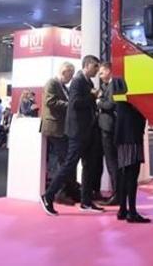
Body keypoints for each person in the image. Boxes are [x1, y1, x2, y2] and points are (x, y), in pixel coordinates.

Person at [41, 55, 103, 215]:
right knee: (69, 164)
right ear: (88, 65)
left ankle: (86, 202)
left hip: (87, 130)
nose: (97, 70)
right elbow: (75, 104)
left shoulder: (87, 82)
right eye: (96, 66)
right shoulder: (78, 81)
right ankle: (48, 195)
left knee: (88, 166)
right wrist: (92, 96)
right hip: (77, 131)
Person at [41, 63, 78, 202]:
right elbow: (50, 102)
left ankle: (67, 190)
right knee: (64, 161)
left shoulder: (63, 87)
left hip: (61, 128)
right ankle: (60, 193)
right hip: (54, 128)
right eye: (71, 73)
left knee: (65, 160)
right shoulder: (52, 83)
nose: (72, 77)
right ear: (64, 71)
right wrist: (70, 104)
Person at [114, 97, 149, 223]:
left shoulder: (118, 84)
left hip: (122, 133)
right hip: (132, 133)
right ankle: (132, 212)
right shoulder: (131, 85)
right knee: (132, 174)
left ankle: (123, 209)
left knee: (125, 173)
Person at [96, 64, 119, 204]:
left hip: (108, 128)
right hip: (107, 127)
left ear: (109, 71)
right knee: (111, 162)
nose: (100, 75)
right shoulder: (108, 86)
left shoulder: (113, 85)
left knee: (112, 162)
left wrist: (99, 101)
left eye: (102, 72)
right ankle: (116, 193)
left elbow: (110, 105)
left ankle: (117, 194)